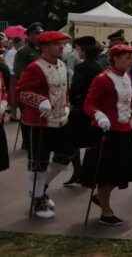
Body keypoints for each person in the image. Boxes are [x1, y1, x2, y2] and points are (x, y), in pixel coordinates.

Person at [81, 44, 132, 226]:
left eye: (131, 58)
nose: (130, 61)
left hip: (125, 129)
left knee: (124, 170)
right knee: (107, 173)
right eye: (126, 58)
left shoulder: (128, 76)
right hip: (107, 131)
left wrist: (129, 110)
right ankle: (106, 212)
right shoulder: (102, 79)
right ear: (114, 58)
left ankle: (102, 197)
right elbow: (88, 104)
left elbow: (125, 100)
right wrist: (99, 115)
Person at [16, 31, 75, 218]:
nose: (62, 47)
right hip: (39, 123)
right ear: (45, 47)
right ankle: (38, 199)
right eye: (57, 44)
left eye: (62, 44)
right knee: (39, 164)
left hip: (60, 120)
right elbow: (22, 92)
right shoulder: (35, 67)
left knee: (65, 156)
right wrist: (39, 100)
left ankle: (39, 189)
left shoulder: (62, 65)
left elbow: (65, 90)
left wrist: (66, 106)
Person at [63, 36, 103, 187]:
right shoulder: (99, 66)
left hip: (81, 109)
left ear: (84, 51)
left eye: (78, 49)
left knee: (73, 142)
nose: (77, 51)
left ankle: (78, 172)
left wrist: (72, 101)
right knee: (93, 144)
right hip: (95, 109)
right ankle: (89, 175)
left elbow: (75, 90)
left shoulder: (82, 67)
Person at [14, 22, 45, 151]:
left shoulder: (43, 50)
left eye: (41, 33)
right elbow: (19, 71)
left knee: (40, 116)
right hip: (27, 90)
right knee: (27, 117)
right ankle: (27, 142)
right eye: (37, 33)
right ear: (30, 35)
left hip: (42, 90)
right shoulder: (24, 52)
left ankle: (37, 141)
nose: (39, 36)